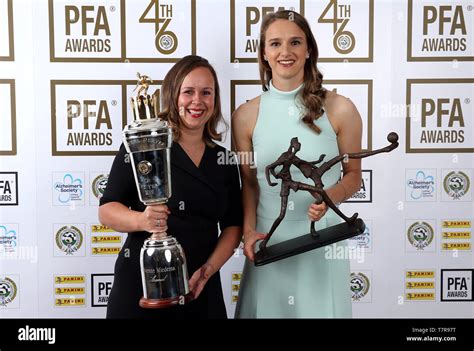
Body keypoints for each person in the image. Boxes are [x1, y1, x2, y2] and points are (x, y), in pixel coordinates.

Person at [232, 10, 362, 318]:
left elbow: (353, 176)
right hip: (269, 242)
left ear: (308, 50)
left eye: (295, 42)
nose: (285, 52)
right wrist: (249, 232)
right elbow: (249, 184)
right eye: (275, 44)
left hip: (323, 243)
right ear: (264, 53)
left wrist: (330, 198)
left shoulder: (341, 109)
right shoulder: (245, 116)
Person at [99, 55, 243, 319]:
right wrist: (143, 219)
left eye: (206, 93)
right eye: (188, 92)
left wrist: (208, 271)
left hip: (200, 288)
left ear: (215, 99)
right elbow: (107, 210)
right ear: (173, 94)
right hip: (143, 289)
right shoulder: (144, 145)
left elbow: (233, 225)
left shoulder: (224, 159)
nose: (197, 101)